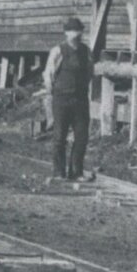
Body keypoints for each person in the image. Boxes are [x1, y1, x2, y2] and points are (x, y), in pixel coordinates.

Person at [41, 16, 94, 183]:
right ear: (66, 33)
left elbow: (90, 72)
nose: (76, 34)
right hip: (61, 99)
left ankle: (76, 171)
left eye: (79, 31)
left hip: (80, 99)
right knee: (59, 137)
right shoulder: (58, 51)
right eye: (72, 31)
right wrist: (52, 92)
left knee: (81, 136)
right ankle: (59, 172)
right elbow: (49, 74)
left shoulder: (86, 51)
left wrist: (83, 89)